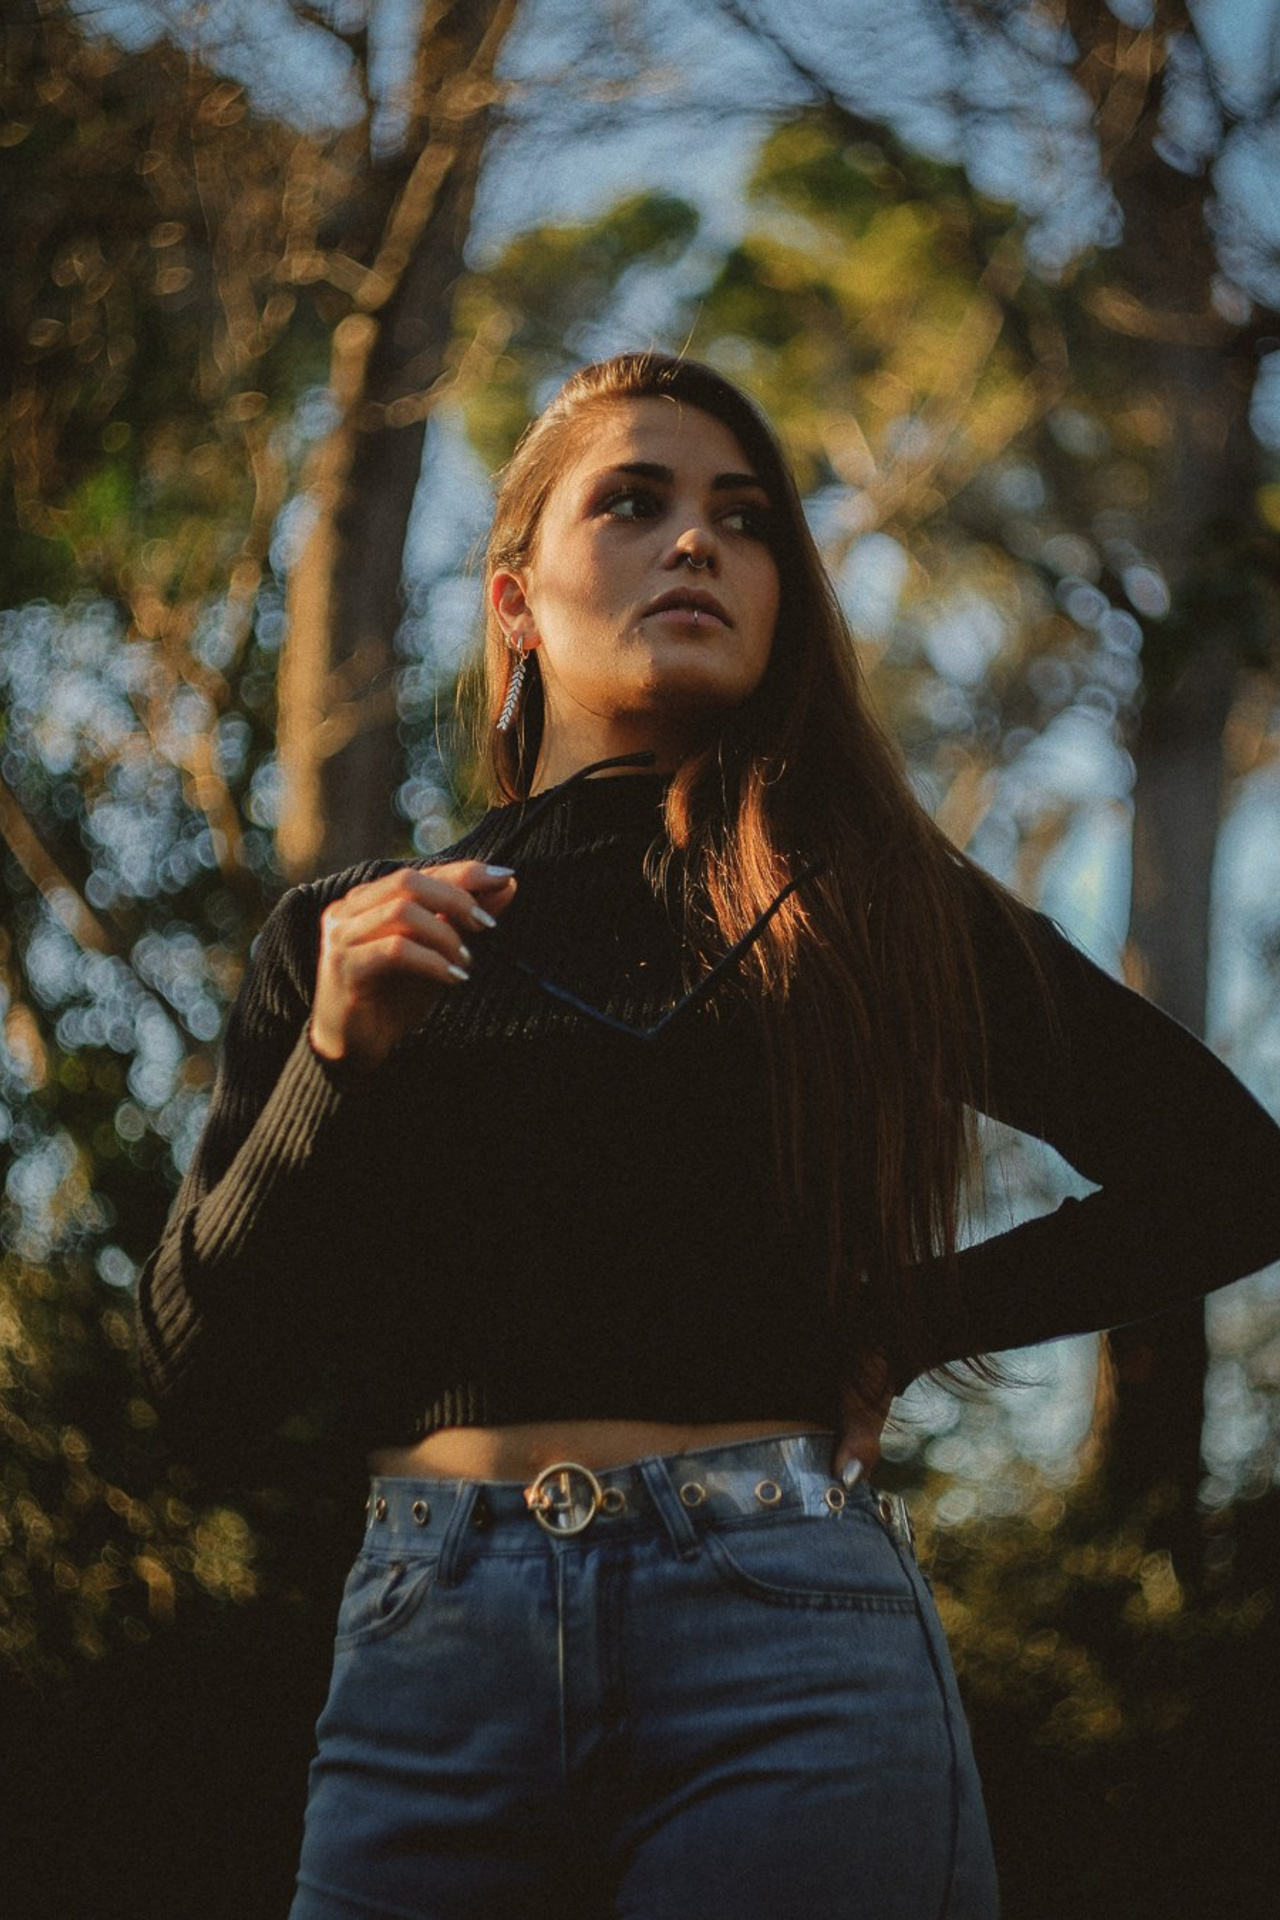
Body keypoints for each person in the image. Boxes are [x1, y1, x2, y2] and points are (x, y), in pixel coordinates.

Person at [137, 351, 1280, 1920]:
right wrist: (335, 1062)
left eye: (743, 521)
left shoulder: (865, 898)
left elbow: (1230, 1175)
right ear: (516, 601)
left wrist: (913, 1316)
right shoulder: (346, 943)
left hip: (792, 1650)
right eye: (635, 500)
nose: (698, 543)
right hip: (430, 1660)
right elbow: (202, 1380)